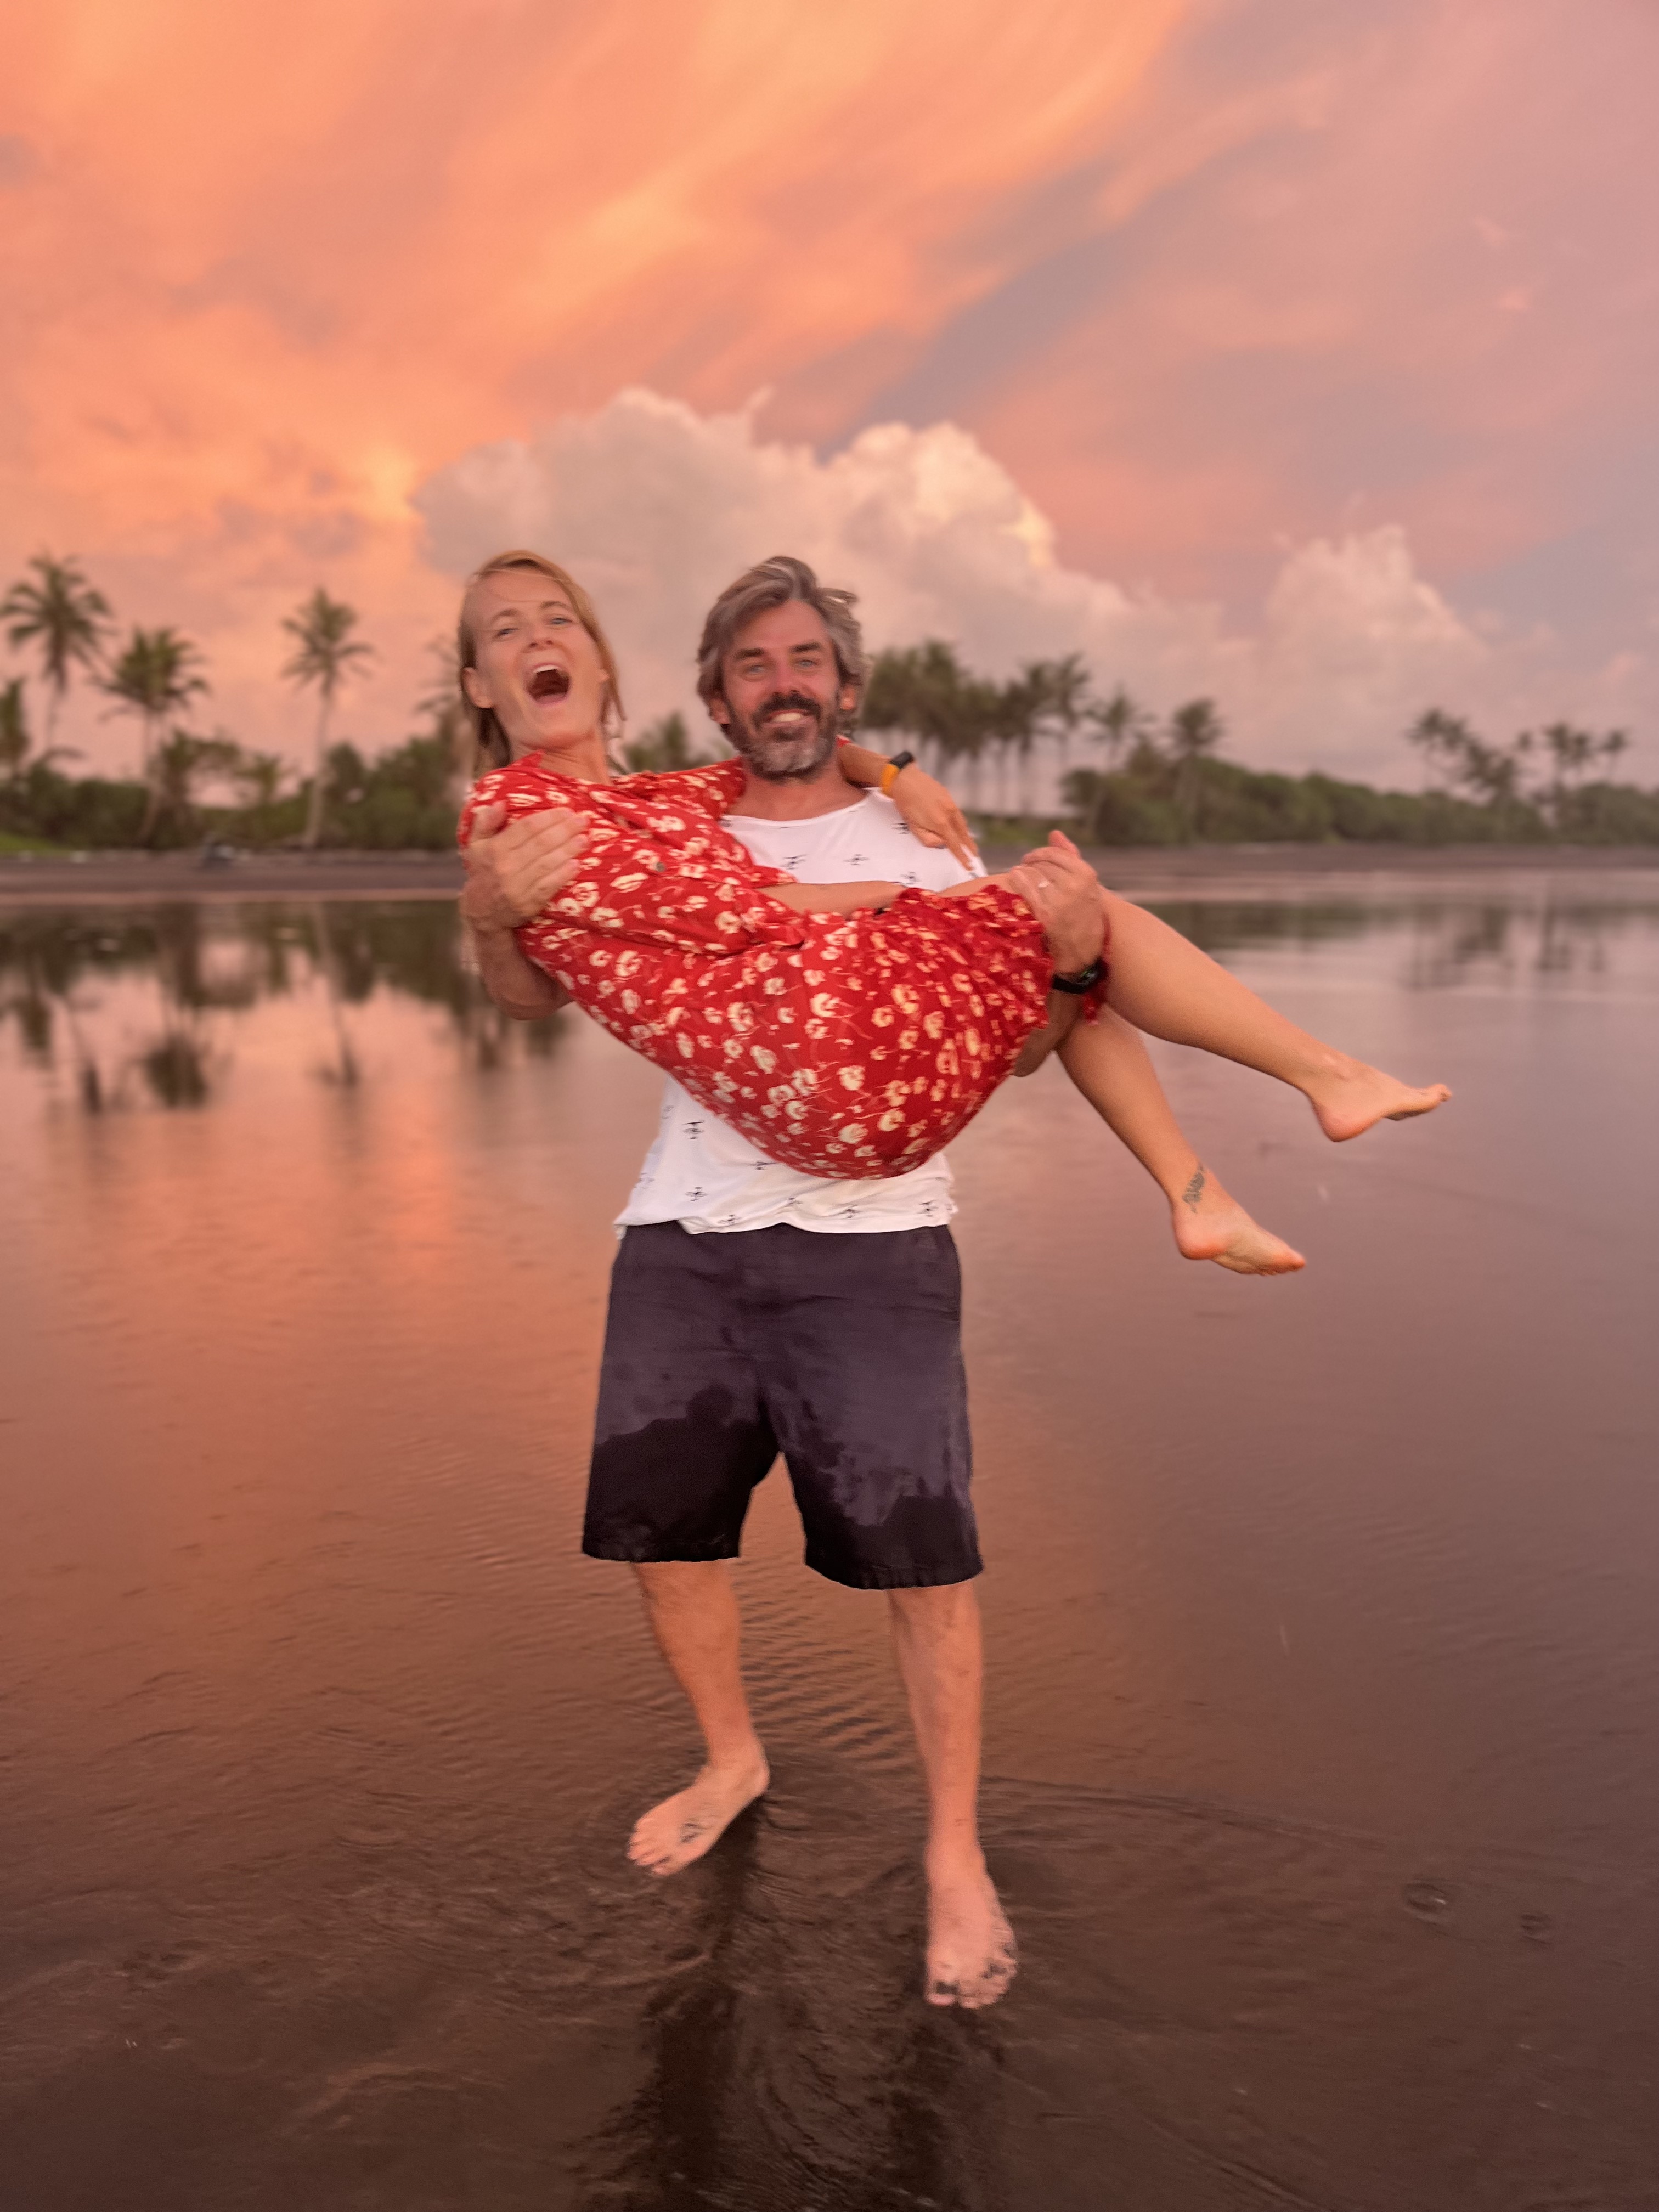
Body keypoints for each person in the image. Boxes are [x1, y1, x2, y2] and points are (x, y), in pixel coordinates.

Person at [459, 551, 1449, 2006]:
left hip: (876, 1230)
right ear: (710, 702)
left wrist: (970, 880)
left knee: (924, 1565)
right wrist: (486, 911)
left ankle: (954, 1854)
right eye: (752, 669)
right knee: (669, 1542)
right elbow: (539, 986)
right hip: (687, 1227)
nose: (783, 687)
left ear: (843, 690)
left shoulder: (921, 841)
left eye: (809, 667)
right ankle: (734, 1756)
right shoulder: (651, 811)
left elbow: (1028, 1034)